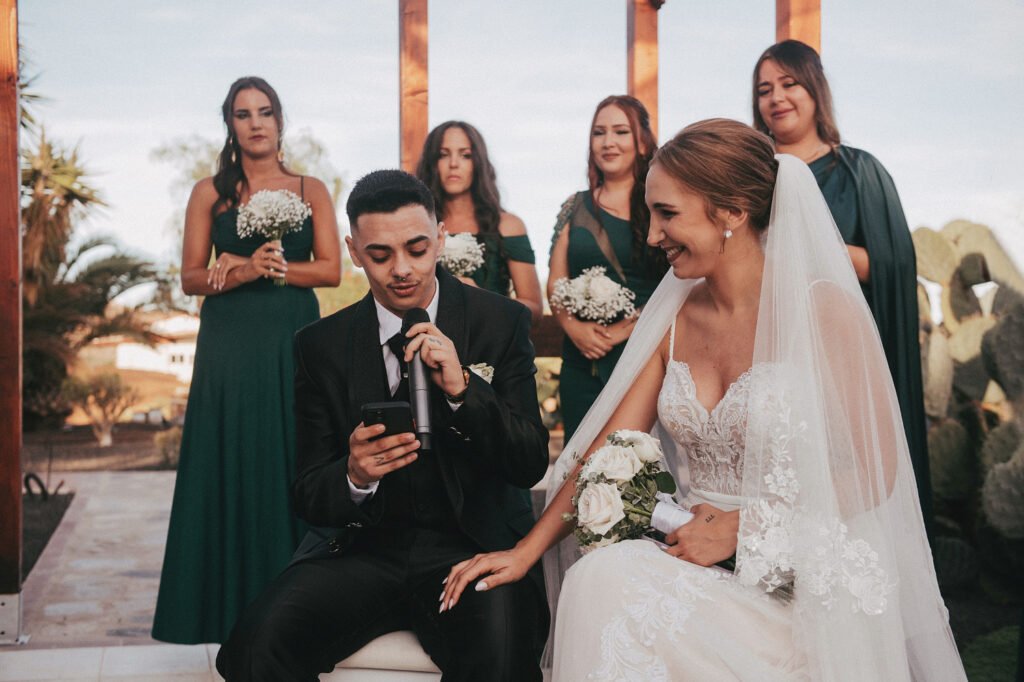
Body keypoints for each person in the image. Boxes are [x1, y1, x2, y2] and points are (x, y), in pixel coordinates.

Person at [441, 120, 965, 680]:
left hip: (802, 568)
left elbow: (874, 470)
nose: (650, 236)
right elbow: (608, 448)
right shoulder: (675, 317)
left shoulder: (824, 311)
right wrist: (525, 551)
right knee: (600, 577)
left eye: (667, 214)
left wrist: (744, 528)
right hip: (690, 553)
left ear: (732, 212)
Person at [215, 170, 550, 681]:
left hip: (470, 550)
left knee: (502, 654)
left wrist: (465, 391)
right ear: (353, 250)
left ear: (441, 238)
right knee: (254, 647)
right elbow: (307, 492)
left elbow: (528, 463)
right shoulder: (319, 345)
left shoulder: (500, 322)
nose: (401, 270)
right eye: (380, 254)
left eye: (417, 249)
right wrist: (353, 475)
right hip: (363, 553)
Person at [152, 76, 342, 645]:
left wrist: (270, 266)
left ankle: (299, 608)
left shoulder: (312, 188)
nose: (255, 122)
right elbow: (190, 279)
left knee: (292, 449)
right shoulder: (208, 193)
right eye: (242, 114)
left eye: (264, 112)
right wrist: (243, 269)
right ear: (230, 125)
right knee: (231, 452)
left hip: (292, 334)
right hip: (229, 345)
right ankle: (224, 609)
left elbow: (331, 270)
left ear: (280, 122)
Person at [752, 39, 933, 535]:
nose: (777, 98)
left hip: (841, 352)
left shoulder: (860, 172)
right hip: (766, 347)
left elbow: (892, 265)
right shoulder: (752, 176)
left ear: (815, 90)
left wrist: (807, 244)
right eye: (765, 89)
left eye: (789, 84)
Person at [549, 95, 667, 442]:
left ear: (642, 140)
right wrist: (574, 329)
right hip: (581, 360)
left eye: (620, 131)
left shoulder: (659, 202)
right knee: (579, 462)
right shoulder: (575, 206)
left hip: (644, 354)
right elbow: (556, 280)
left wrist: (622, 333)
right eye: (599, 133)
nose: (608, 142)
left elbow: (678, 283)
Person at [415, 121, 543, 320]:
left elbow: (534, 310)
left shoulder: (508, 226)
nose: (454, 164)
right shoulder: (417, 225)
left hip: (493, 347)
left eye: (465, 155)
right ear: (432, 163)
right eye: (443, 154)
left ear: (478, 163)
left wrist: (482, 299)